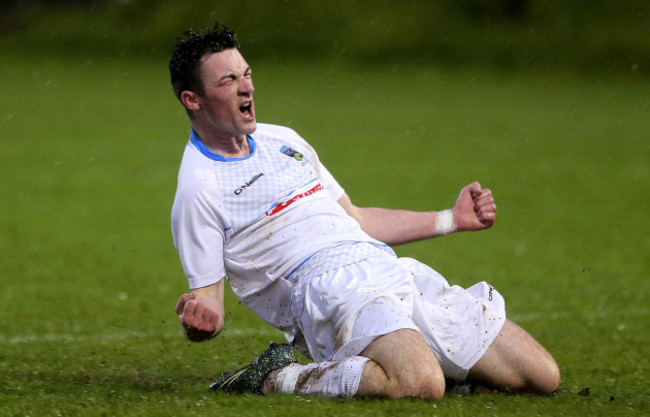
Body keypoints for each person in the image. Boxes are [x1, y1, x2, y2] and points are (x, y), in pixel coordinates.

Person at [169, 23, 560, 400]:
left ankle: (431, 368)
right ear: (193, 99)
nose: (248, 86)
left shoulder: (283, 140)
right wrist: (200, 323)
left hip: (384, 267)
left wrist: (450, 219)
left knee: (541, 376)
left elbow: (357, 219)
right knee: (420, 385)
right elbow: (210, 303)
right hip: (325, 291)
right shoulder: (199, 186)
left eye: (247, 74)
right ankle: (274, 377)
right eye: (229, 81)